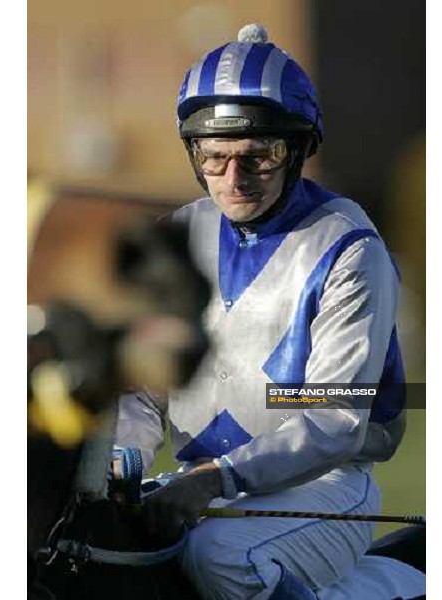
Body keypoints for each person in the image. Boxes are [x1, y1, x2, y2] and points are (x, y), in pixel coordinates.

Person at [116, 24, 411, 600]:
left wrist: (217, 478)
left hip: (325, 484)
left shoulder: (349, 246)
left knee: (221, 557)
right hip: (201, 481)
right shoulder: (173, 235)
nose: (233, 178)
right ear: (193, 152)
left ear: (299, 149)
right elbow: (144, 389)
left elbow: (334, 419)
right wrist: (122, 459)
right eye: (214, 156)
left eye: (261, 156)